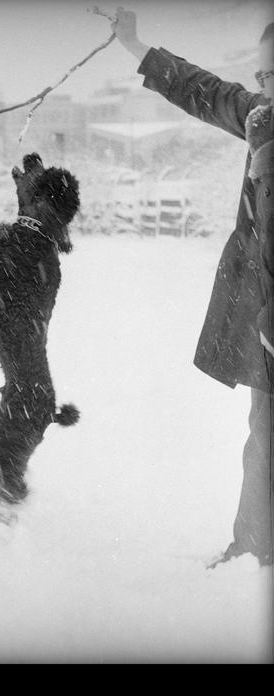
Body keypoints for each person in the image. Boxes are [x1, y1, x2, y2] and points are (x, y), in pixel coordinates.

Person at [112, 8, 274, 567]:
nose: (265, 90)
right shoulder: (263, 119)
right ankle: (255, 549)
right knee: (266, 438)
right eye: (262, 78)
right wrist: (134, 46)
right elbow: (202, 90)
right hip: (267, 320)